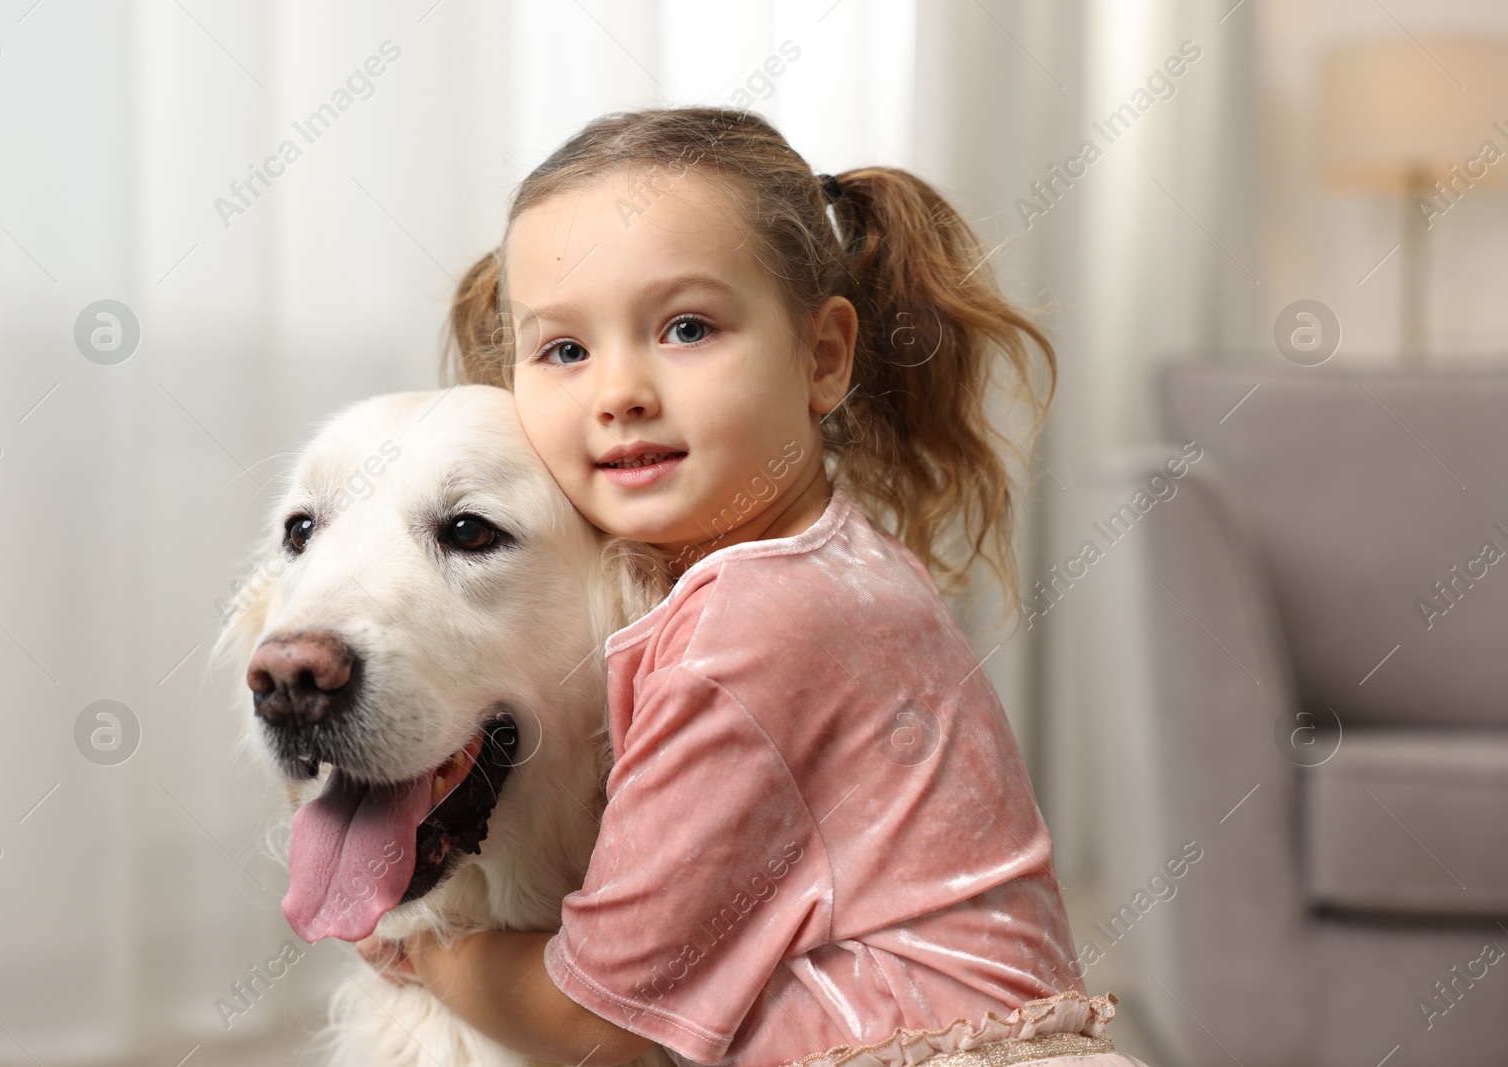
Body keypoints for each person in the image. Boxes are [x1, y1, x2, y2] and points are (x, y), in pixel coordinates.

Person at [356, 106, 1147, 1067]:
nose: (620, 391)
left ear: (822, 358)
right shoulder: (830, 560)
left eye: (686, 328)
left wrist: (423, 949)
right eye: (564, 349)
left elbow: (594, 1028)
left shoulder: (748, 629)